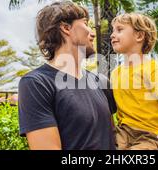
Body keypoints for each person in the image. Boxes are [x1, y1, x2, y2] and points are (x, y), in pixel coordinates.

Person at [18, 1, 116, 150]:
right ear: (66, 28)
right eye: (85, 23)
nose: (93, 33)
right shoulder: (37, 83)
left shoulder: (101, 81)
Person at [110, 13, 158, 150]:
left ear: (139, 36)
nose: (112, 35)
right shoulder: (115, 73)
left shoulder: (152, 67)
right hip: (124, 133)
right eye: (113, 30)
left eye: (119, 30)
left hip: (153, 136)